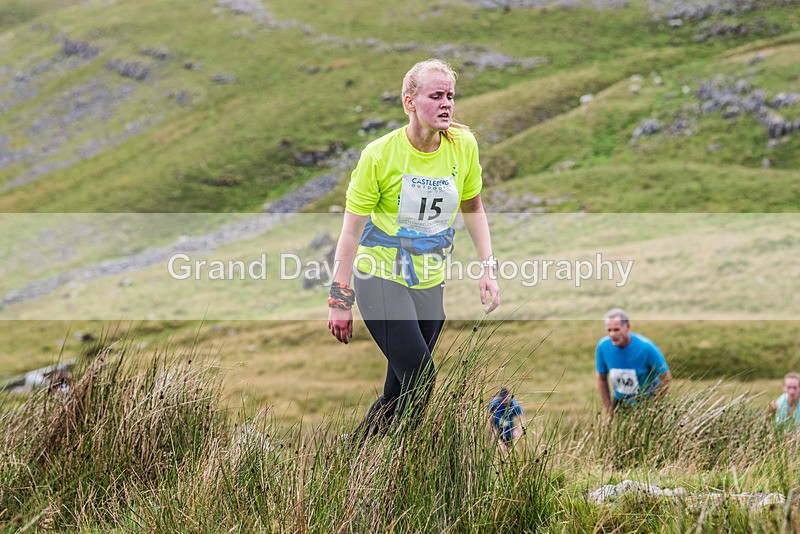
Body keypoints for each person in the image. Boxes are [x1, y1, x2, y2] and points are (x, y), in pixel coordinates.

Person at [327, 59, 500, 441]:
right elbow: (350, 233)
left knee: (399, 393)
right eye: (435, 96)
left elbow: (474, 208)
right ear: (409, 102)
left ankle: (353, 457)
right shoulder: (379, 154)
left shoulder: (463, 146)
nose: (446, 104)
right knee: (422, 378)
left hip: (429, 283)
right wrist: (340, 298)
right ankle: (402, 465)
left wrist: (488, 269)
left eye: (450, 96)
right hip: (380, 276)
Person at [596, 308, 671, 414]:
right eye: (609, 330)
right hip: (620, 404)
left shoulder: (646, 347)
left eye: (616, 330)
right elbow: (601, 379)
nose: (612, 334)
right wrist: (609, 410)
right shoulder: (603, 347)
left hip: (646, 405)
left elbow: (666, 377)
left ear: (627, 327)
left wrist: (656, 406)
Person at [488, 387, 524, 452]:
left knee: (510, 451)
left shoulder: (514, 404)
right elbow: (489, 420)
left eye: (507, 398)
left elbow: (521, 418)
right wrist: (493, 432)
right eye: (503, 399)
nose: (505, 401)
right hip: (497, 432)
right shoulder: (495, 404)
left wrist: (518, 431)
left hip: (509, 432)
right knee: (500, 450)